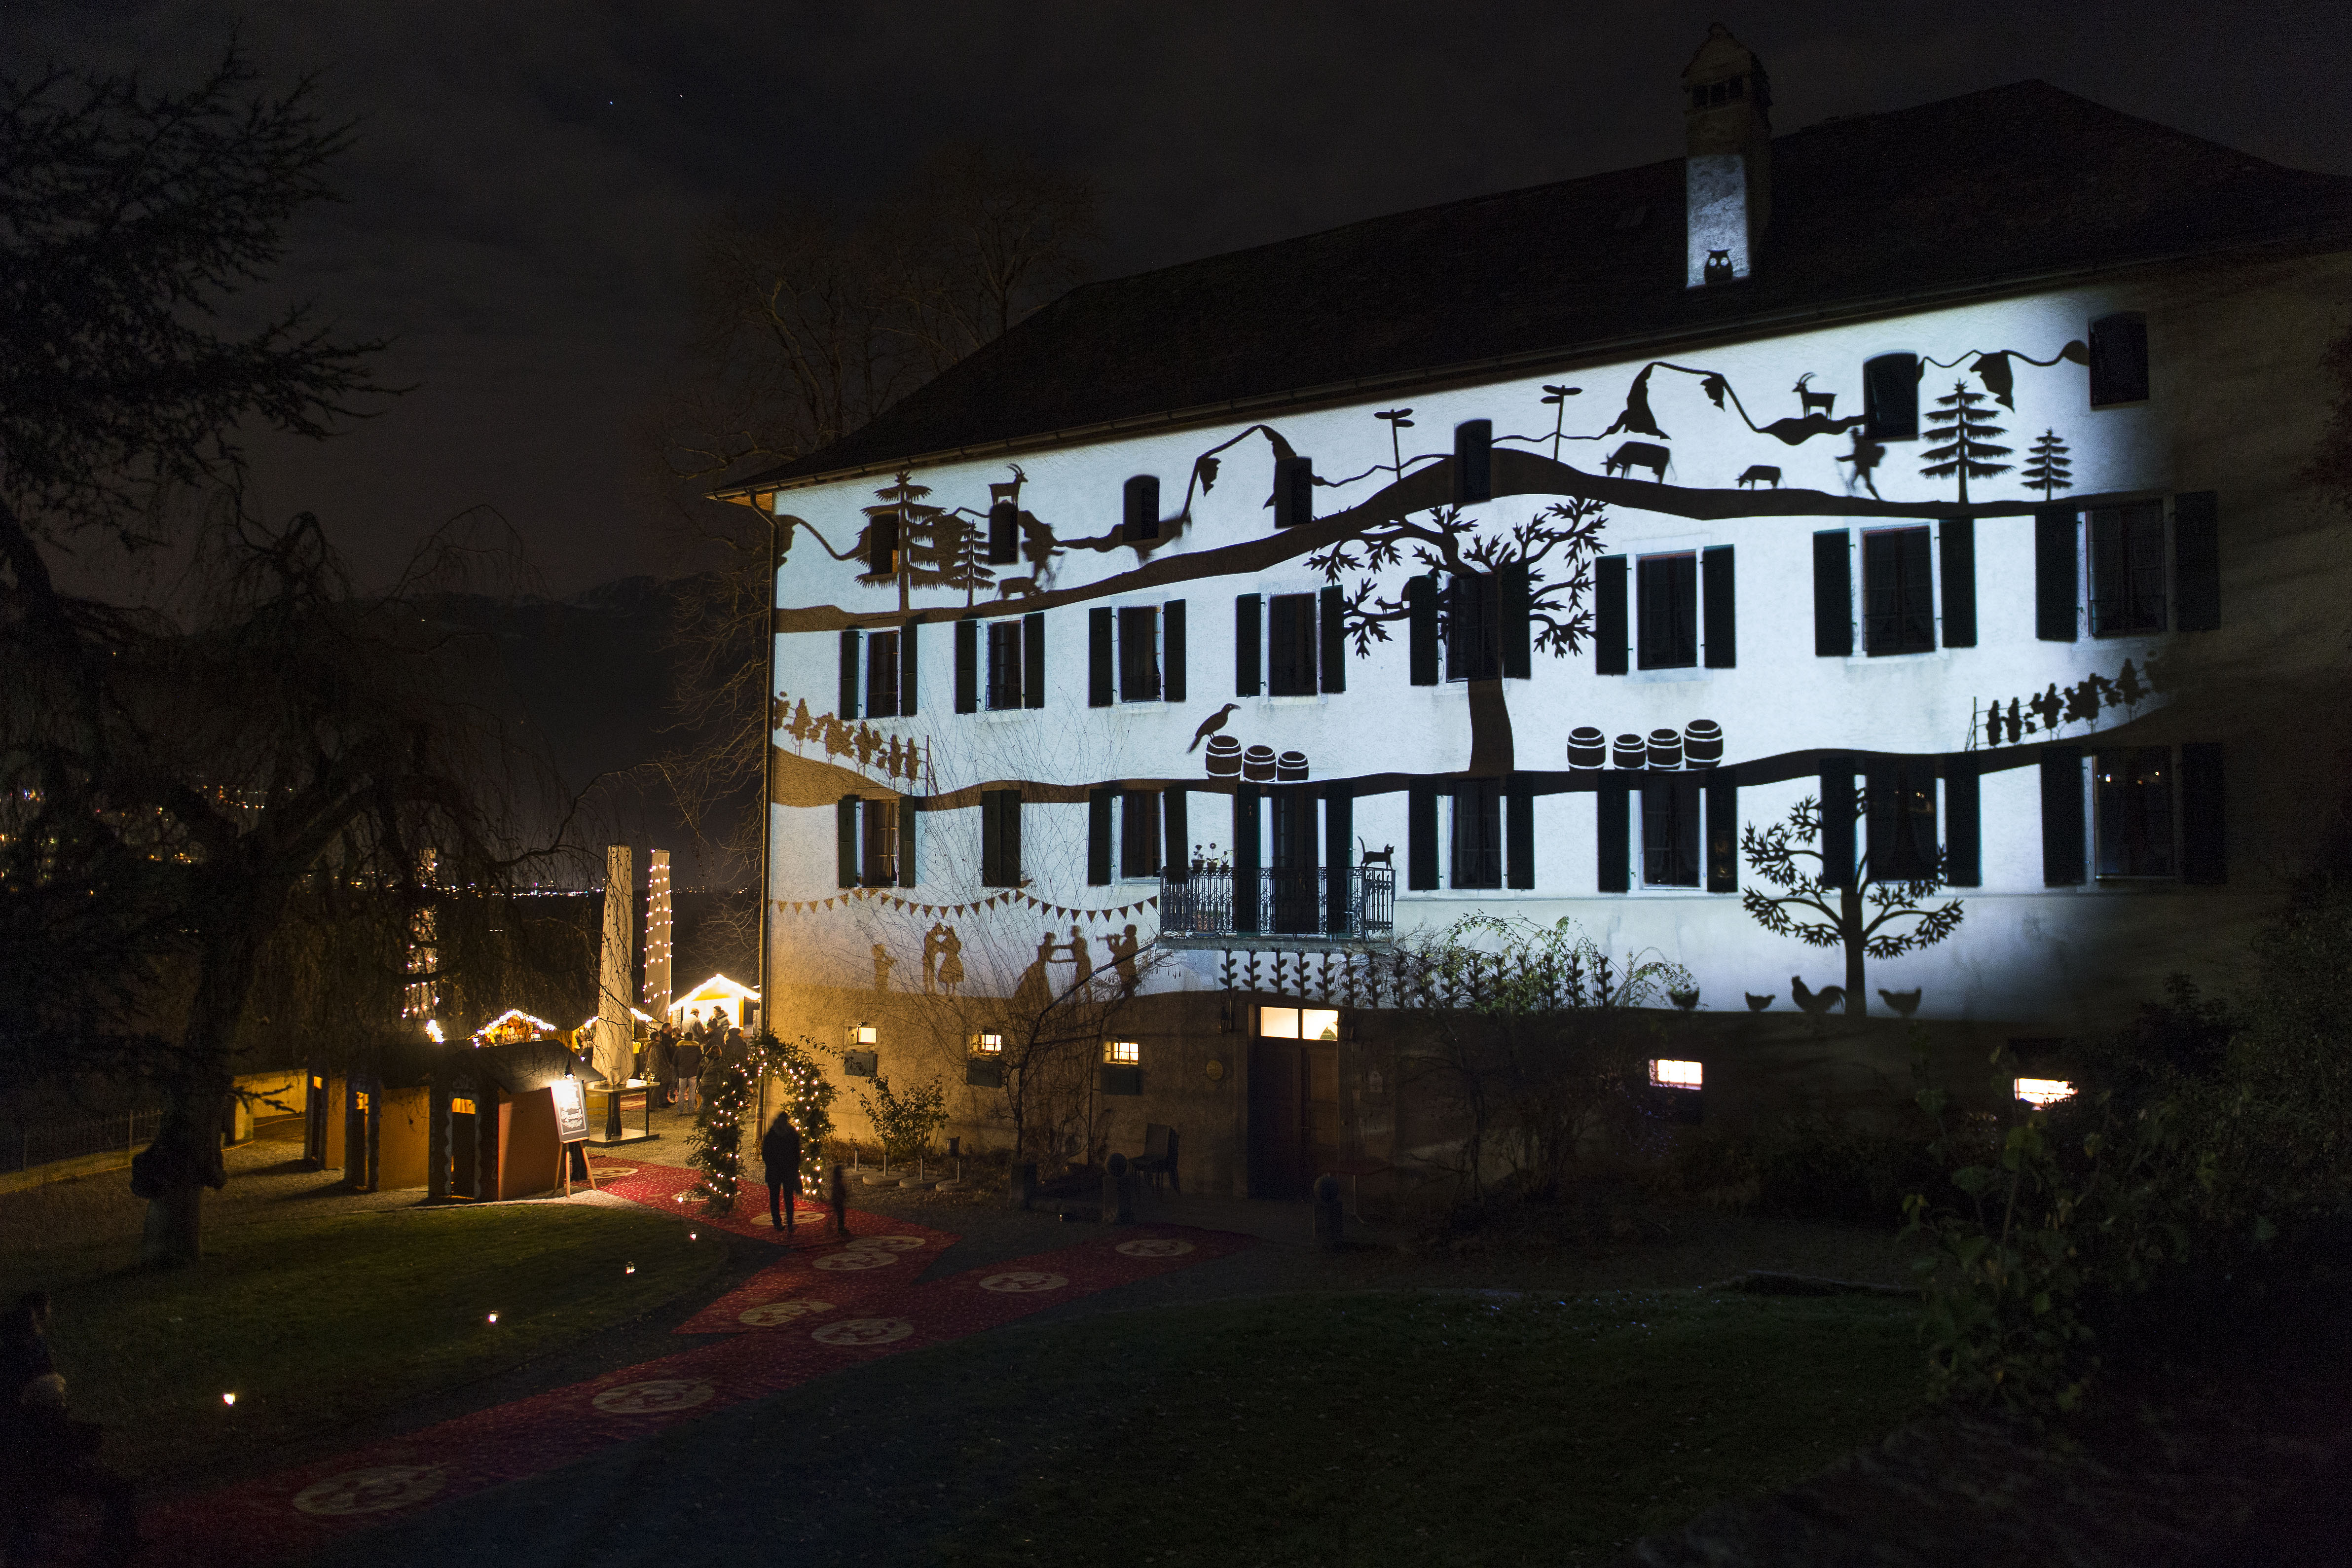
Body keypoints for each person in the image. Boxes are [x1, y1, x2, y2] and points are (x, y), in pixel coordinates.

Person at [2, 1292, 137, 1565]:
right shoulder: (39, 1413)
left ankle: (22, 1554)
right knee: (119, 1489)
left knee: (23, 1514)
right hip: (45, 1471)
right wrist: (87, 1436)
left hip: (24, 1474)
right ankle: (116, 1548)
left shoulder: (17, 1411)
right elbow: (60, 1444)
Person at [760, 1111, 803, 1238]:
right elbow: (796, 1154)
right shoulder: (789, 1134)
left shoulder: (774, 1135)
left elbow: (766, 1154)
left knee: (782, 1198)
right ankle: (783, 1222)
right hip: (782, 1171)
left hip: (780, 1171)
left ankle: (784, 1222)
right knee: (782, 1198)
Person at [673, 1030, 703, 1114]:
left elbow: (675, 1061)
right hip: (693, 1072)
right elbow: (701, 1060)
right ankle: (691, 1109)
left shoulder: (680, 1049)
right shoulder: (696, 1049)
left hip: (682, 1073)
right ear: (692, 1039)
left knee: (681, 1091)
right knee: (692, 1091)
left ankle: (680, 1110)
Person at [646, 1024, 677, 1109]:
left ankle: (655, 1103)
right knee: (659, 1087)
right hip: (659, 1069)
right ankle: (657, 1104)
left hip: (653, 1068)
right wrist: (666, 1065)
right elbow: (659, 1058)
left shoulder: (650, 1046)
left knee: (655, 1087)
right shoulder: (657, 1046)